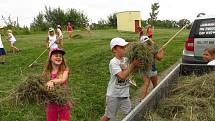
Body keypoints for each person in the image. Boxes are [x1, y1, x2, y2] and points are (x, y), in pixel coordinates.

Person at [100, 37, 140, 121]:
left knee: (129, 113)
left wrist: (136, 64)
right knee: (108, 116)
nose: (125, 49)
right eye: (122, 47)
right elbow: (122, 76)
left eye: (125, 47)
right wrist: (133, 64)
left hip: (125, 94)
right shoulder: (113, 62)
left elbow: (131, 71)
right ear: (114, 49)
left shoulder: (126, 60)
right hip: (113, 95)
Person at [43, 48, 73, 121]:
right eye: (56, 55)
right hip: (51, 103)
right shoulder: (46, 72)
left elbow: (63, 79)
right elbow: (43, 85)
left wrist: (52, 81)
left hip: (63, 102)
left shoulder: (65, 70)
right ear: (50, 58)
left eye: (60, 56)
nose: (59, 57)